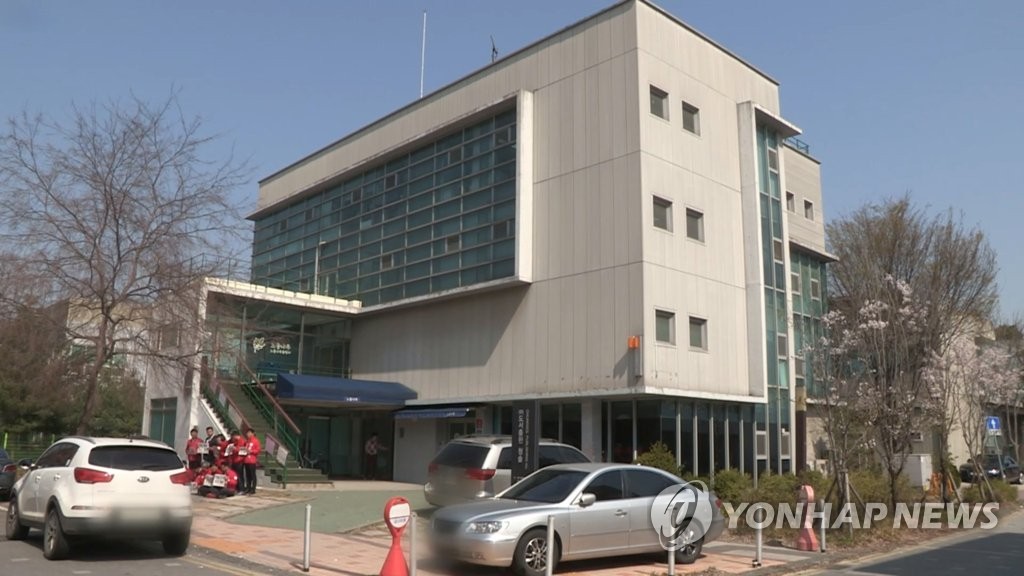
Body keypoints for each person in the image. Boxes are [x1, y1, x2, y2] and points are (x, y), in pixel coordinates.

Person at [242, 428, 262, 495]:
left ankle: (253, 489)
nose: (248, 434)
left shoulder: (256, 441)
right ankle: (248, 488)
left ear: (253, 433)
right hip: (246, 460)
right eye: (247, 433)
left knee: (253, 475)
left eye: (249, 433)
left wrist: (251, 451)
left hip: (252, 460)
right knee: (247, 476)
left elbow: (258, 450)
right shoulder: (247, 441)